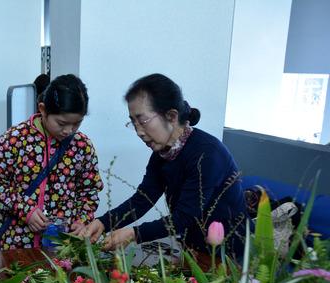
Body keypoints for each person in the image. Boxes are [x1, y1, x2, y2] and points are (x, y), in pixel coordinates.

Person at [76, 73, 248, 261]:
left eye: (143, 121)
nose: (139, 132)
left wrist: (135, 233)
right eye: (133, 122)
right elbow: (143, 200)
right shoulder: (162, 154)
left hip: (228, 254)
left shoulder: (207, 154)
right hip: (194, 249)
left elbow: (185, 217)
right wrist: (103, 222)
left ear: (172, 116)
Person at [0, 74, 104, 250]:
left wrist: (82, 220)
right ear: (43, 109)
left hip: (64, 244)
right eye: (61, 123)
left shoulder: (81, 146)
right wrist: (25, 210)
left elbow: (89, 189)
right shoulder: (16, 139)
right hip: (18, 244)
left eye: (77, 124)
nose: (68, 131)